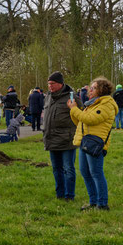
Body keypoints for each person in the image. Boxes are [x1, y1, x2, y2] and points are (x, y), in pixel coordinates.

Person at [68, 77, 118, 211]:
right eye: (91, 87)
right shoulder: (92, 103)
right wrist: (74, 110)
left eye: (94, 88)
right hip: (86, 141)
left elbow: (90, 119)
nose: (90, 90)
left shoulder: (106, 104)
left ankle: (102, 204)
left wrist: (74, 109)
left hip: (95, 143)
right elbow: (80, 122)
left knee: (96, 173)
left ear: (102, 90)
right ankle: (93, 202)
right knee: (85, 172)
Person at [43, 71, 82, 201]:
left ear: (60, 84)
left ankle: (69, 196)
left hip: (66, 139)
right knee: (56, 169)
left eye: (52, 83)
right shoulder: (48, 96)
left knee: (68, 169)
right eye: (48, 84)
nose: (50, 86)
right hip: (52, 139)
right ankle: (60, 194)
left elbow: (80, 116)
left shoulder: (72, 98)